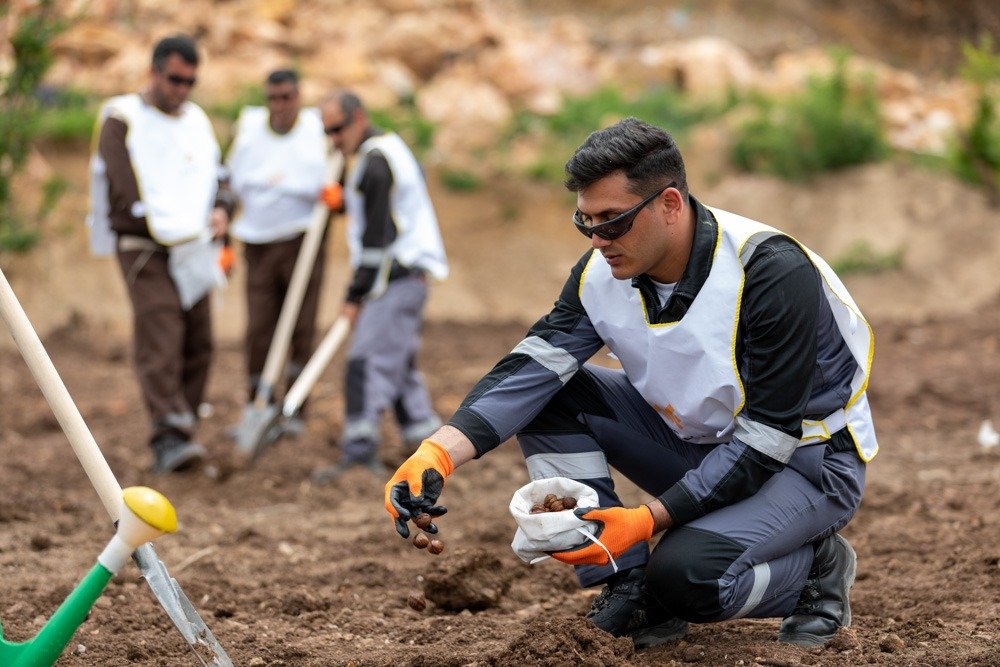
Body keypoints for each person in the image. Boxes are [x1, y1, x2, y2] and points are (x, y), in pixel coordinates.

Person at [384, 118, 877, 648]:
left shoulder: (770, 272)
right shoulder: (601, 270)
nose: (598, 239)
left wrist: (644, 521)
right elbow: (532, 368)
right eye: (585, 222)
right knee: (555, 395)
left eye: (613, 221)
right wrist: (439, 452)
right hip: (700, 443)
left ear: (669, 204)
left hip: (807, 460)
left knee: (687, 577)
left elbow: (767, 441)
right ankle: (628, 588)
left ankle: (814, 573)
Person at [88, 35, 234, 473]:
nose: (182, 89)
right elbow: (124, 184)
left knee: (199, 336)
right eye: (175, 79)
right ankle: (167, 434)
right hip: (143, 245)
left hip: (193, 246)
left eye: (191, 81)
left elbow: (219, 175)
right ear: (154, 72)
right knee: (161, 329)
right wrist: (168, 218)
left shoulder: (196, 121)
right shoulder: (121, 118)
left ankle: (183, 426)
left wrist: (223, 209)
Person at [312, 89, 448, 481]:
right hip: (410, 274)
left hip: (396, 276)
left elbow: (377, 242)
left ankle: (358, 453)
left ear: (358, 118)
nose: (333, 140)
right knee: (398, 362)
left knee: (365, 362)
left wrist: (354, 296)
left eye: (337, 129)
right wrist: (342, 204)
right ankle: (424, 440)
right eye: (327, 133)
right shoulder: (389, 150)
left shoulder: (374, 164)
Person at [225, 69, 330, 429]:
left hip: (303, 243)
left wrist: (338, 197)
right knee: (259, 326)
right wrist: (223, 238)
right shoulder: (251, 129)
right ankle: (259, 400)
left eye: (287, 97)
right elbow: (228, 182)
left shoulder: (316, 131)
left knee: (302, 326)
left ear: (298, 97)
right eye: (274, 98)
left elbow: (339, 172)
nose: (280, 105)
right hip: (257, 244)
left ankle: (295, 407)